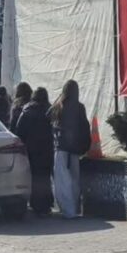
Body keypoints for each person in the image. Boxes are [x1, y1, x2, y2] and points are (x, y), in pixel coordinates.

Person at [48, 80, 90, 219]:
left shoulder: (58, 106)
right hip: (74, 149)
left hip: (61, 148)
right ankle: (74, 208)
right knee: (74, 179)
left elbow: (48, 118)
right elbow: (84, 127)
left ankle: (67, 210)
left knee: (62, 181)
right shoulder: (79, 107)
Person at [16, 87, 54, 217]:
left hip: (31, 149)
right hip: (47, 149)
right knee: (45, 177)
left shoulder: (27, 111)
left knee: (34, 177)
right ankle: (46, 204)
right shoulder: (50, 110)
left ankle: (36, 204)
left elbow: (19, 131)